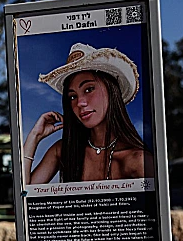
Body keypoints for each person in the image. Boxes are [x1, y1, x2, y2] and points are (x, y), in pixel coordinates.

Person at [23, 43, 152, 184]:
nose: (80, 103)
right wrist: (34, 137)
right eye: (72, 96)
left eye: (89, 89)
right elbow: (24, 195)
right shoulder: (63, 151)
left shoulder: (138, 160)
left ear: (111, 90)